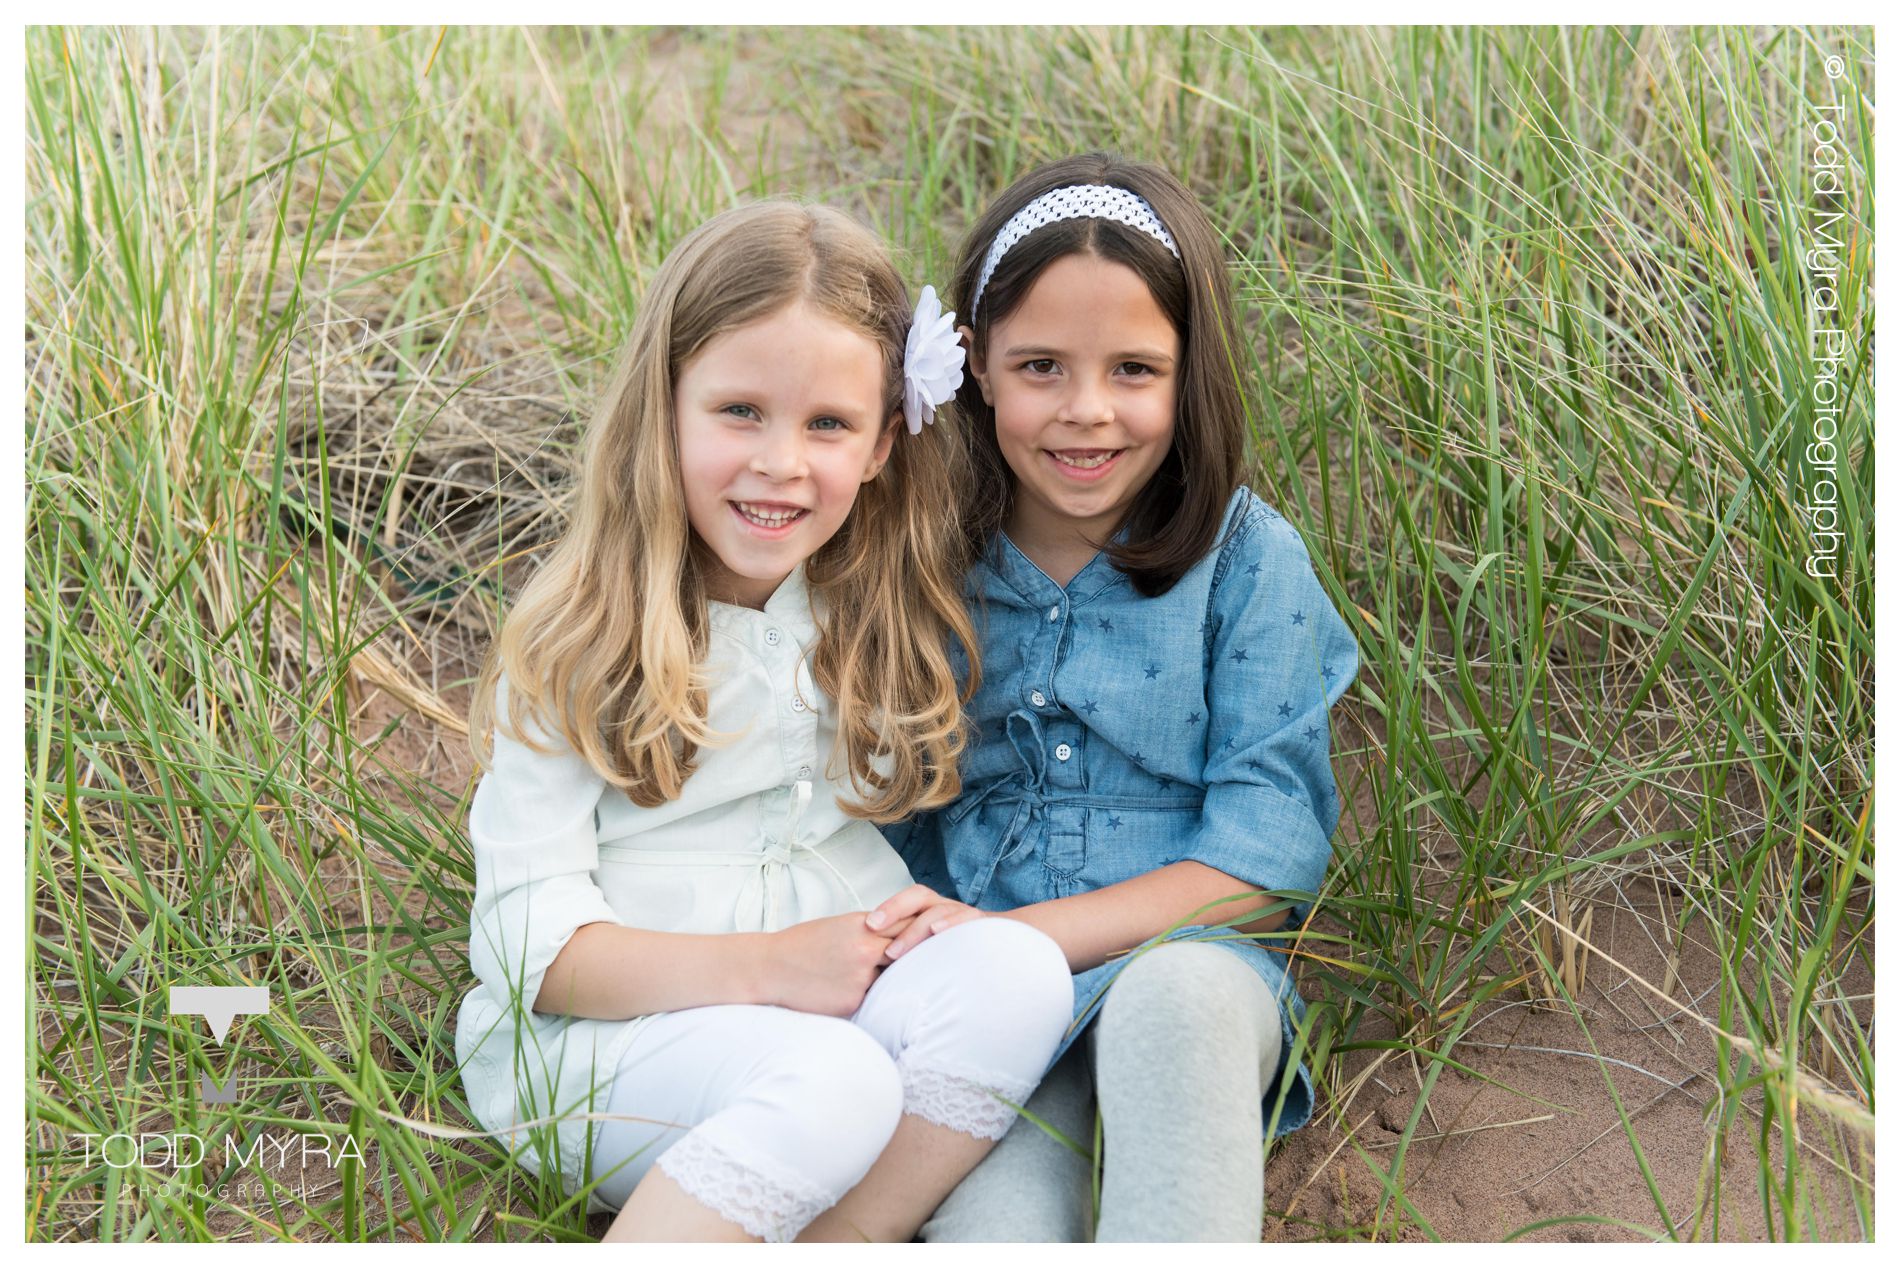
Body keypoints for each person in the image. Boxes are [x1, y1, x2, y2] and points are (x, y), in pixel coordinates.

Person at [454, 200, 1074, 1243]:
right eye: (739, 409)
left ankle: (845, 1239)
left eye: (826, 424)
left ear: (883, 444)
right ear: (666, 407)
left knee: (1019, 969)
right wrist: (775, 966)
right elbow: (530, 953)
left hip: (820, 1013)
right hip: (602, 1044)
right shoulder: (582, 635)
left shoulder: (868, 605)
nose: (781, 462)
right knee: (833, 1079)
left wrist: (907, 930)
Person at [872, 154, 1361, 1241]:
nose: (1086, 412)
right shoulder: (923, 563)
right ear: (977, 367)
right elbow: (886, 809)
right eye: (1041, 364)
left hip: (1190, 963)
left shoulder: (1245, 562)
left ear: (1188, 375)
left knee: (1170, 1006)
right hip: (988, 990)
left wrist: (1020, 939)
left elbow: (1261, 860)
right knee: (995, 1222)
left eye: (1134, 369)